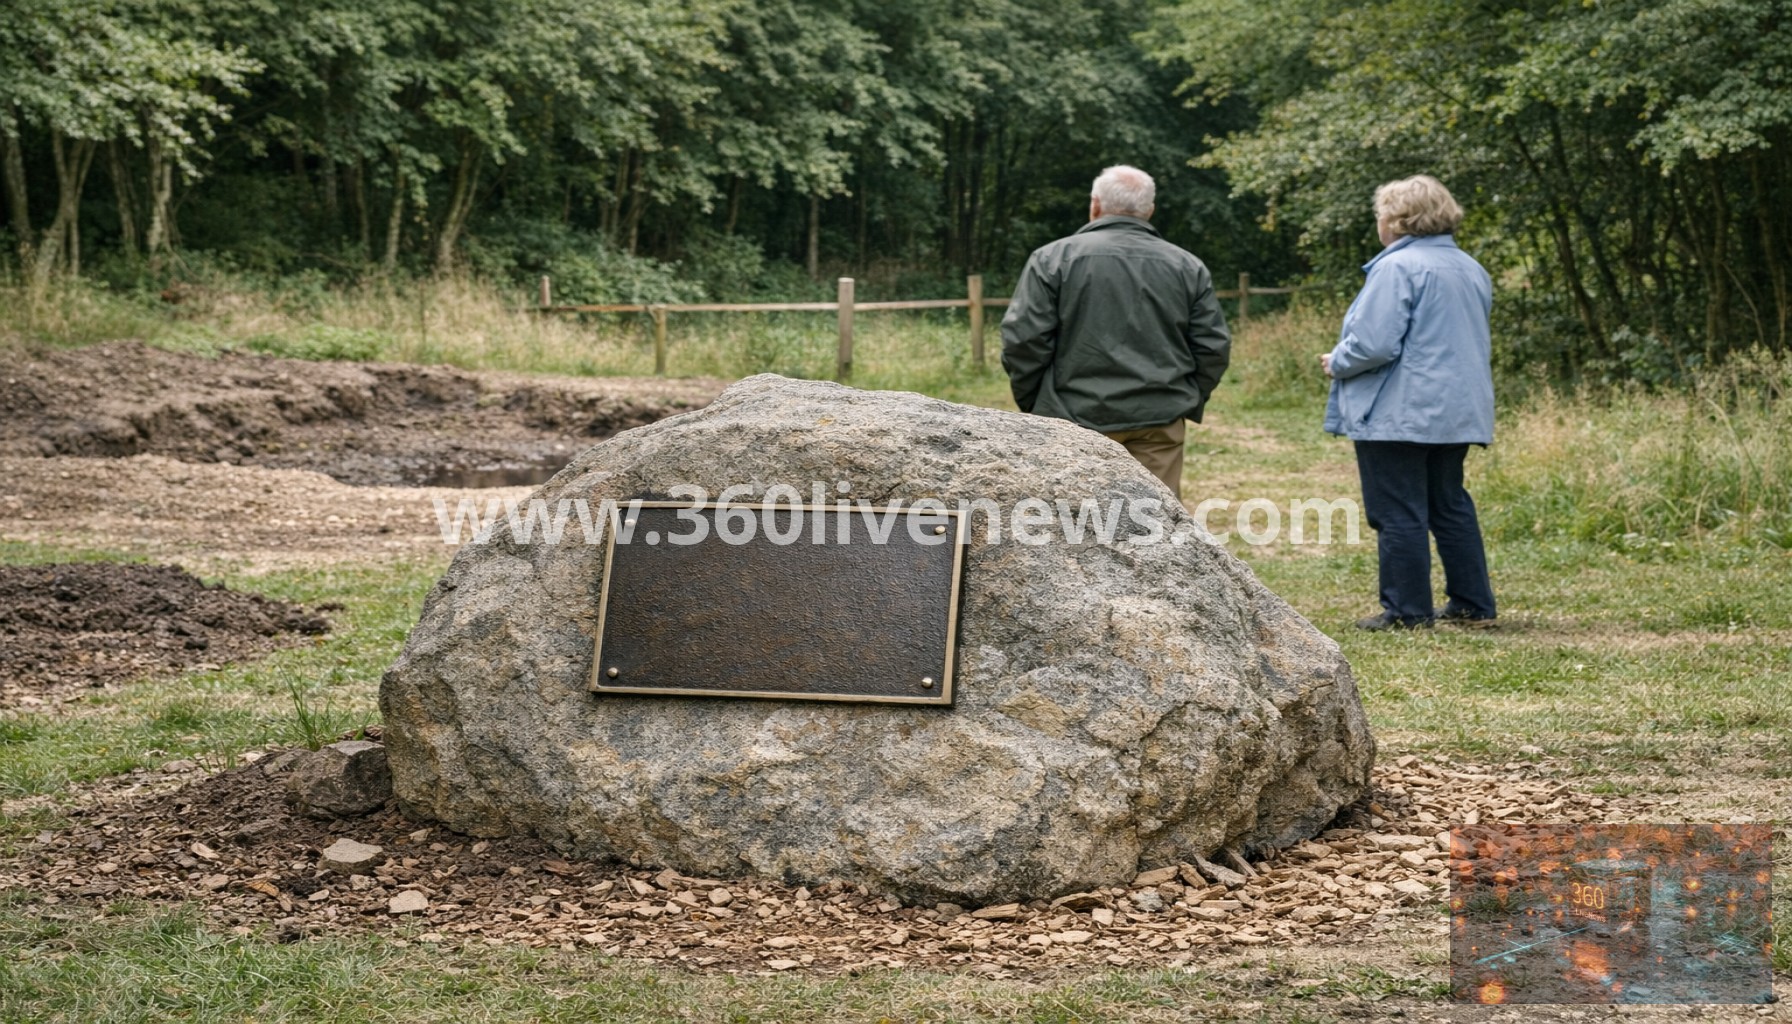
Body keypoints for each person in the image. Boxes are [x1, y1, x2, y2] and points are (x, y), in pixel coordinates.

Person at [1320, 174, 1497, 630]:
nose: (1379, 223)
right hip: (1457, 409)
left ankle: (1407, 611)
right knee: (1449, 503)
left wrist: (1336, 361)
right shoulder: (1470, 267)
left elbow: (1375, 343)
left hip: (1400, 410)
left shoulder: (1396, 267)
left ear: (1398, 220)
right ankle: (1472, 602)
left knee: (1397, 509)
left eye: (1381, 215)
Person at [1001, 165, 1230, 499]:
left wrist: (1037, 402)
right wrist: (1186, 399)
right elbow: (1213, 346)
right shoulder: (1186, 266)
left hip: (1071, 418)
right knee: (1154, 527)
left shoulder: (1052, 259)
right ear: (1149, 210)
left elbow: (1023, 340)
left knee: (1072, 525)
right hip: (1159, 418)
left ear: (1095, 205)